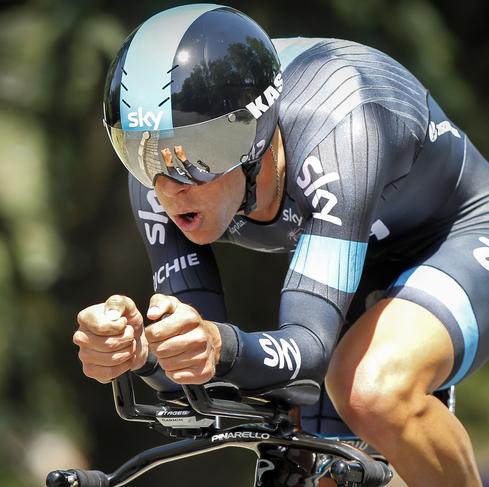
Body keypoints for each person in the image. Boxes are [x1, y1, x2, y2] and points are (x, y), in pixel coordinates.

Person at [73, 4, 489, 486]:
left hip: (458, 232)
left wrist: (217, 344)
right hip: (351, 251)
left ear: (254, 133)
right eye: (140, 151)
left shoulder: (342, 130)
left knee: (372, 390)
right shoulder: (154, 179)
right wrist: (140, 351)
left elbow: (306, 347)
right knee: (313, 464)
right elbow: (201, 366)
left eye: (197, 156)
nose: (169, 186)